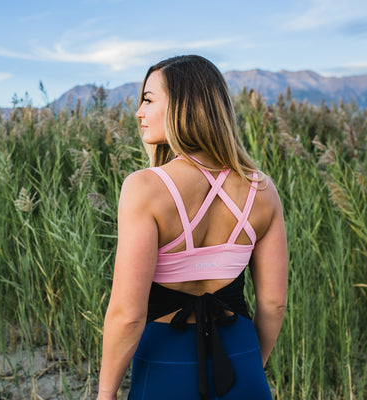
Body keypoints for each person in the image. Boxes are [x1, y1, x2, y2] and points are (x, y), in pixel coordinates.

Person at [97, 55, 287, 400]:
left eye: (148, 100)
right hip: (241, 366)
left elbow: (127, 316)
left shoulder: (145, 188)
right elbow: (273, 304)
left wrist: (105, 394)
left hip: (163, 369)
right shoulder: (262, 190)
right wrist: (248, 368)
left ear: (184, 107)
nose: (138, 112)